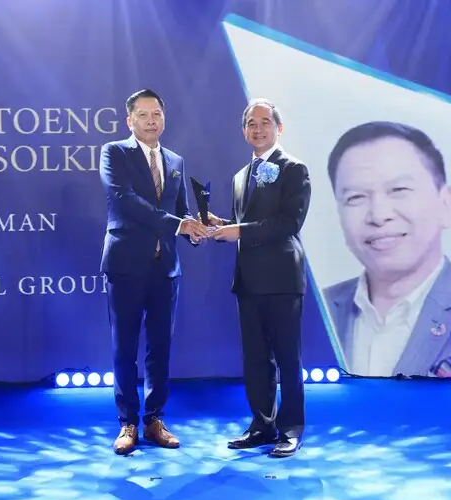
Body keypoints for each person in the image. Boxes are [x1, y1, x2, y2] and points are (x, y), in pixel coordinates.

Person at [322, 121, 451, 378]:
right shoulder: (313, 311)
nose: (379, 215)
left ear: (445, 204)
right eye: (355, 197)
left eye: (399, 190)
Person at [99, 89, 209, 455]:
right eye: (143, 115)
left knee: (160, 348)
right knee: (124, 348)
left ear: (164, 117)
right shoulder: (114, 153)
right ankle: (127, 422)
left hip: (166, 269)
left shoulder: (175, 160)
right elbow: (125, 202)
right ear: (129, 120)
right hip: (126, 266)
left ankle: (154, 419)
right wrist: (179, 224)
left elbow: (181, 210)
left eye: (157, 114)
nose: (151, 120)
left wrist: (198, 228)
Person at [207, 98, 311, 457]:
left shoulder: (294, 168)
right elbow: (245, 223)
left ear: (279, 128)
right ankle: (262, 424)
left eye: (265, 122)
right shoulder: (240, 176)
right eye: (251, 123)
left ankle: (291, 428)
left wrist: (239, 231)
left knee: (287, 359)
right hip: (248, 280)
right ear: (243, 131)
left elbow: (289, 223)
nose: (258, 129)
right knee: (255, 359)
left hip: (282, 278)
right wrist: (220, 225)